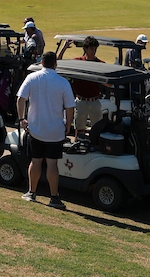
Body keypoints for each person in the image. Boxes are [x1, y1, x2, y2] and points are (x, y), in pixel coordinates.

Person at [17, 51, 76, 209]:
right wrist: (68, 125)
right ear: (55, 64)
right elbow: (70, 108)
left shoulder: (32, 78)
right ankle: (54, 197)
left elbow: (20, 99)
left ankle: (31, 192)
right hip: (55, 131)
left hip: (35, 129)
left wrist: (22, 118)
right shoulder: (63, 82)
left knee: (35, 161)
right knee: (52, 164)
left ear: (42, 63)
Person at [70, 37, 104, 132]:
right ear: (85, 49)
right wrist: (64, 48)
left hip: (95, 101)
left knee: (98, 129)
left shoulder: (100, 64)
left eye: (95, 49)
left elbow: (107, 84)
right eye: (92, 49)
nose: (94, 51)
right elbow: (58, 63)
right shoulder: (77, 62)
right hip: (81, 101)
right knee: (79, 129)